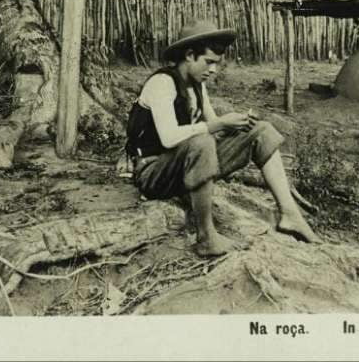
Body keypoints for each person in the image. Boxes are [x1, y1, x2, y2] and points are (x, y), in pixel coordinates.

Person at [125, 18, 320, 256]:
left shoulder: (197, 84)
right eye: (208, 62)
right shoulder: (162, 83)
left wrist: (236, 123)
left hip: (183, 166)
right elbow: (169, 137)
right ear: (189, 55)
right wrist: (216, 124)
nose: (213, 70)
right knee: (202, 140)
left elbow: (213, 124)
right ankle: (206, 236)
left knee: (262, 130)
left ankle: (289, 214)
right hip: (153, 172)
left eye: (216, 63)